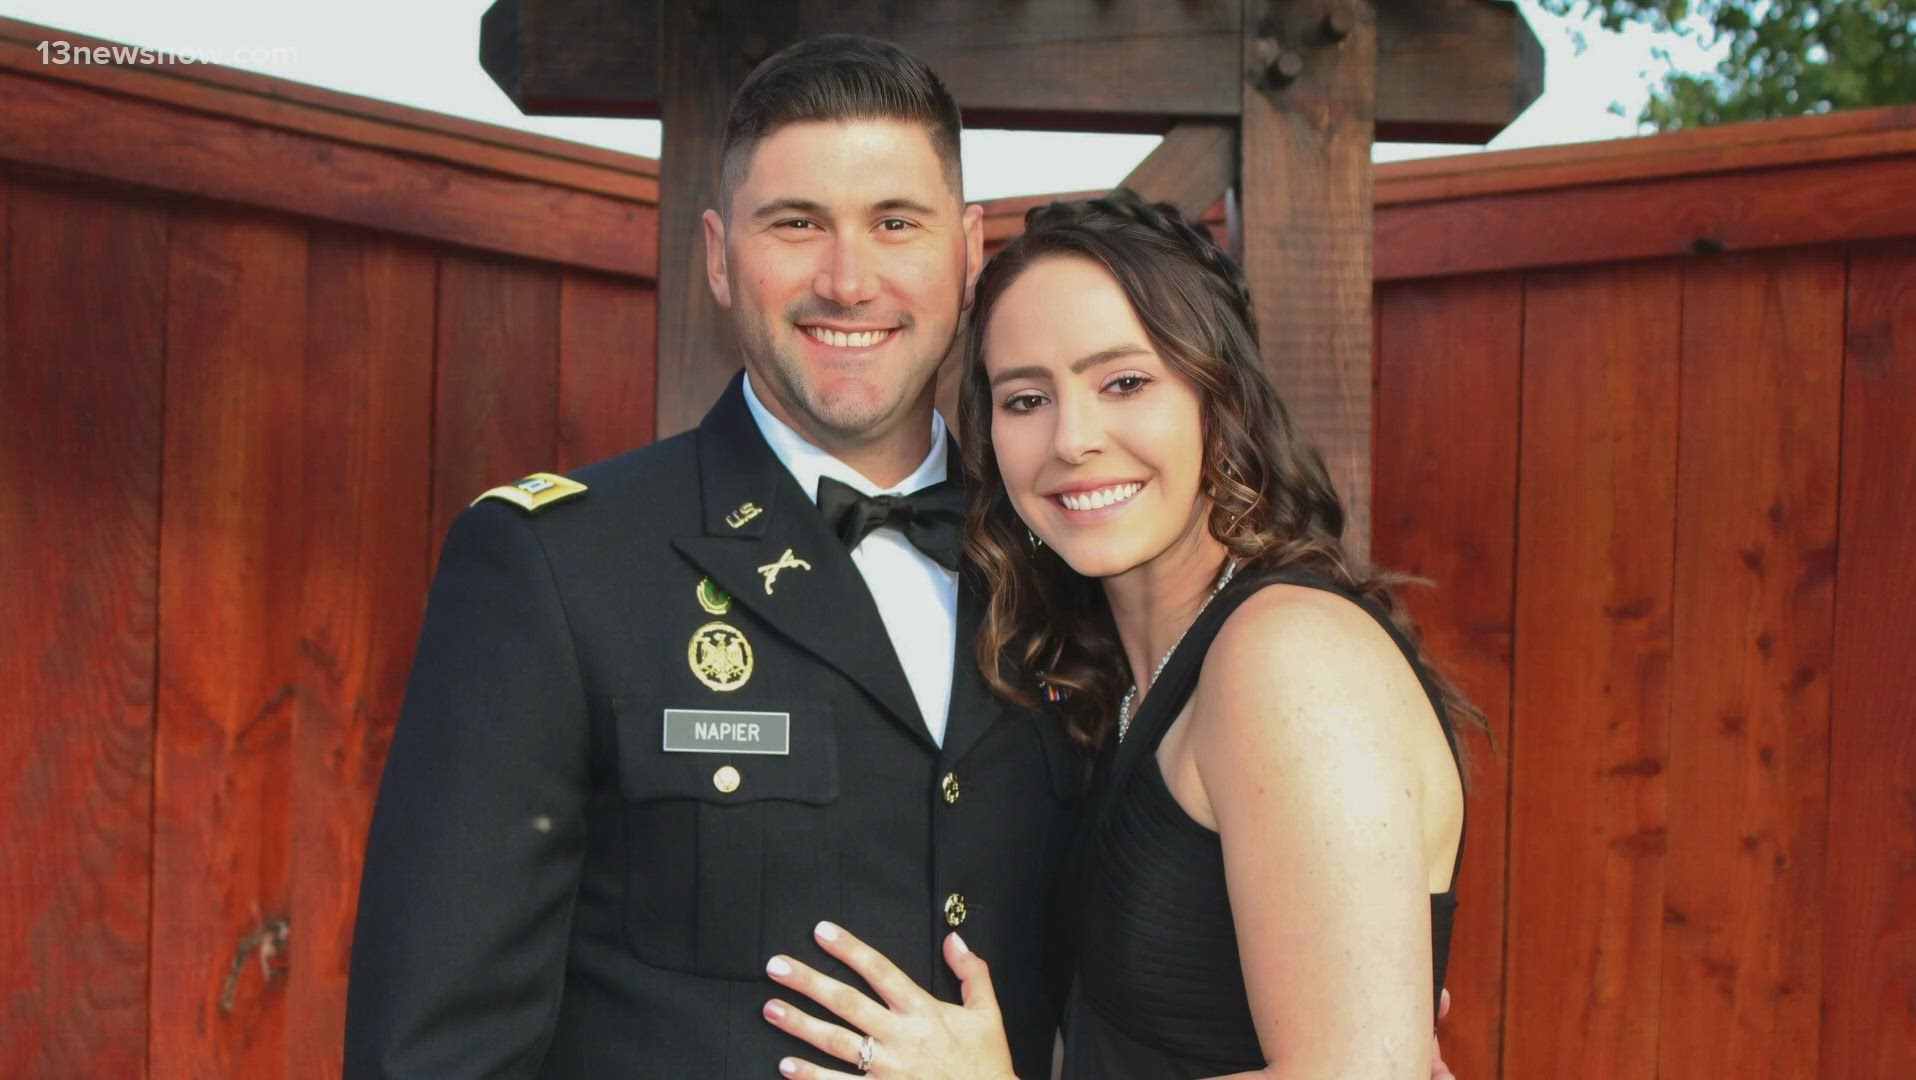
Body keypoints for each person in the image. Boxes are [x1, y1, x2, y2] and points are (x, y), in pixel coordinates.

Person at [343, 36, 1079, 1078]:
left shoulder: (1069, 564)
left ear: (967, 251)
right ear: (721, 255)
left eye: (895, 223)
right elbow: (431, 1053)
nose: (848, 278)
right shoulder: (555, 568)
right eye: (796, 224)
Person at [758, 190, 1474, 1079]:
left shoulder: (1288, 655)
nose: (1073, 439)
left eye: (1125, 383)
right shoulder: (1120, 682)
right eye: (1025, 399)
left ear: (1221, 397)